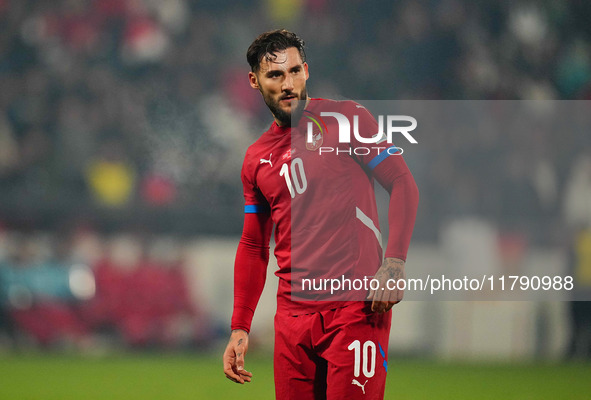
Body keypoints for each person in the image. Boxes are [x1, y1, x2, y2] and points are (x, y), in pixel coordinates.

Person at [222, 29, 419, 399]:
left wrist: (394, 263)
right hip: (293, 318)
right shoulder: (255, 158)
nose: (288, 84)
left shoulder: (346, 118)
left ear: (307, 70)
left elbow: (403, 184)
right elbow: (253, 245)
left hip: (355, 307)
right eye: (275, 75)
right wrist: (240, 326)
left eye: (295, 71)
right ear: (254, 80)